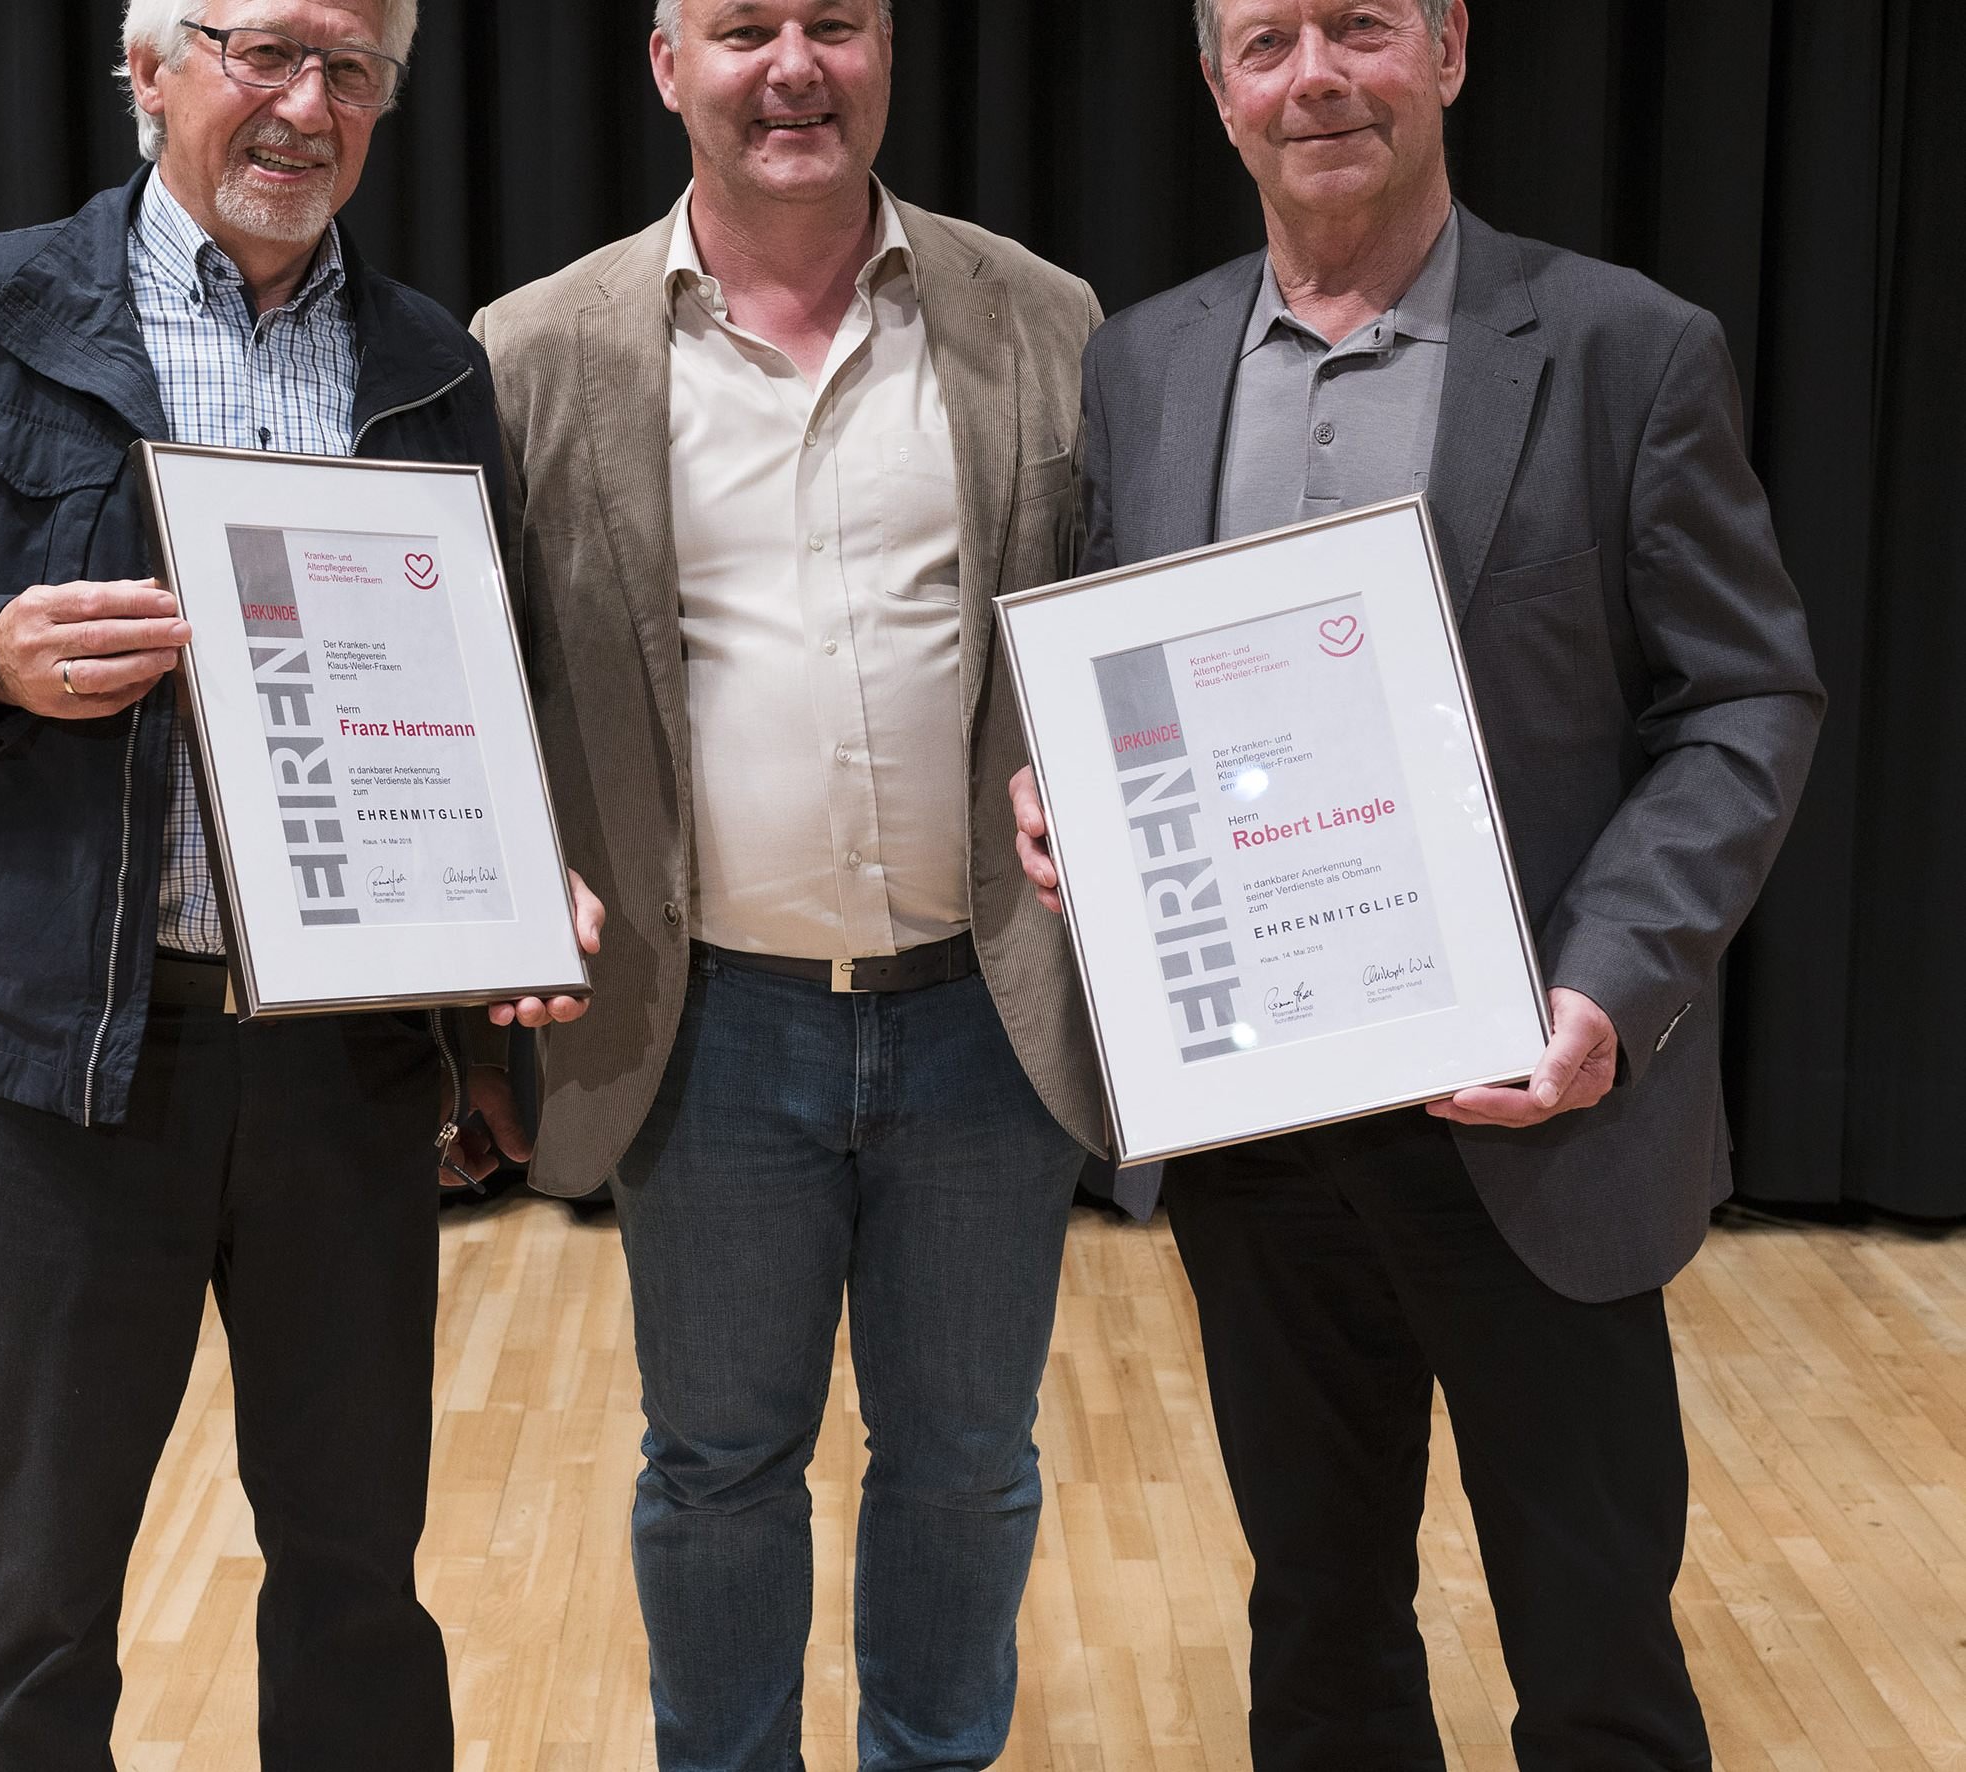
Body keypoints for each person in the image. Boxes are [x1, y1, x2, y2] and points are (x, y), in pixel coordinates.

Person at [0, 2, 597, 1764]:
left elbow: (482, 688)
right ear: (148, 70)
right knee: (40, 1600)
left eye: (352, 70)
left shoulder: (426, 360)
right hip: (65, 1070)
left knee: (358, 1576)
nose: (306, 106)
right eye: (266, 54)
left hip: (343, 1078)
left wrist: (521, 902)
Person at [1012, 2, 1822, 1766]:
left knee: (1594, 1637)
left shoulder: (1623, 344)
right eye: (1265, 39)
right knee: (1313, 1625)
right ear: (1216, 91)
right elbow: (1124, 675)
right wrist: (1063, 789)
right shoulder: (1141, 364)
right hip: (1259, 1132)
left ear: (1447, 50)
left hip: (1539, 1106)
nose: (1316, 75)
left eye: (1360, 25)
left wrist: (1606, 987)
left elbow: (1746, 701)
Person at [468, 1, 1118, 1764]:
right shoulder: (534, 349)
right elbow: (469, 675)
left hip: (987, 1015)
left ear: (889, 53)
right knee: (717, 1465)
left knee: (967, 1466)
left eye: (834, 19)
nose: (793, 64)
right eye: (742, 25)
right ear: (664, 62)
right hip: (709, 1026)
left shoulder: (1042, 318)